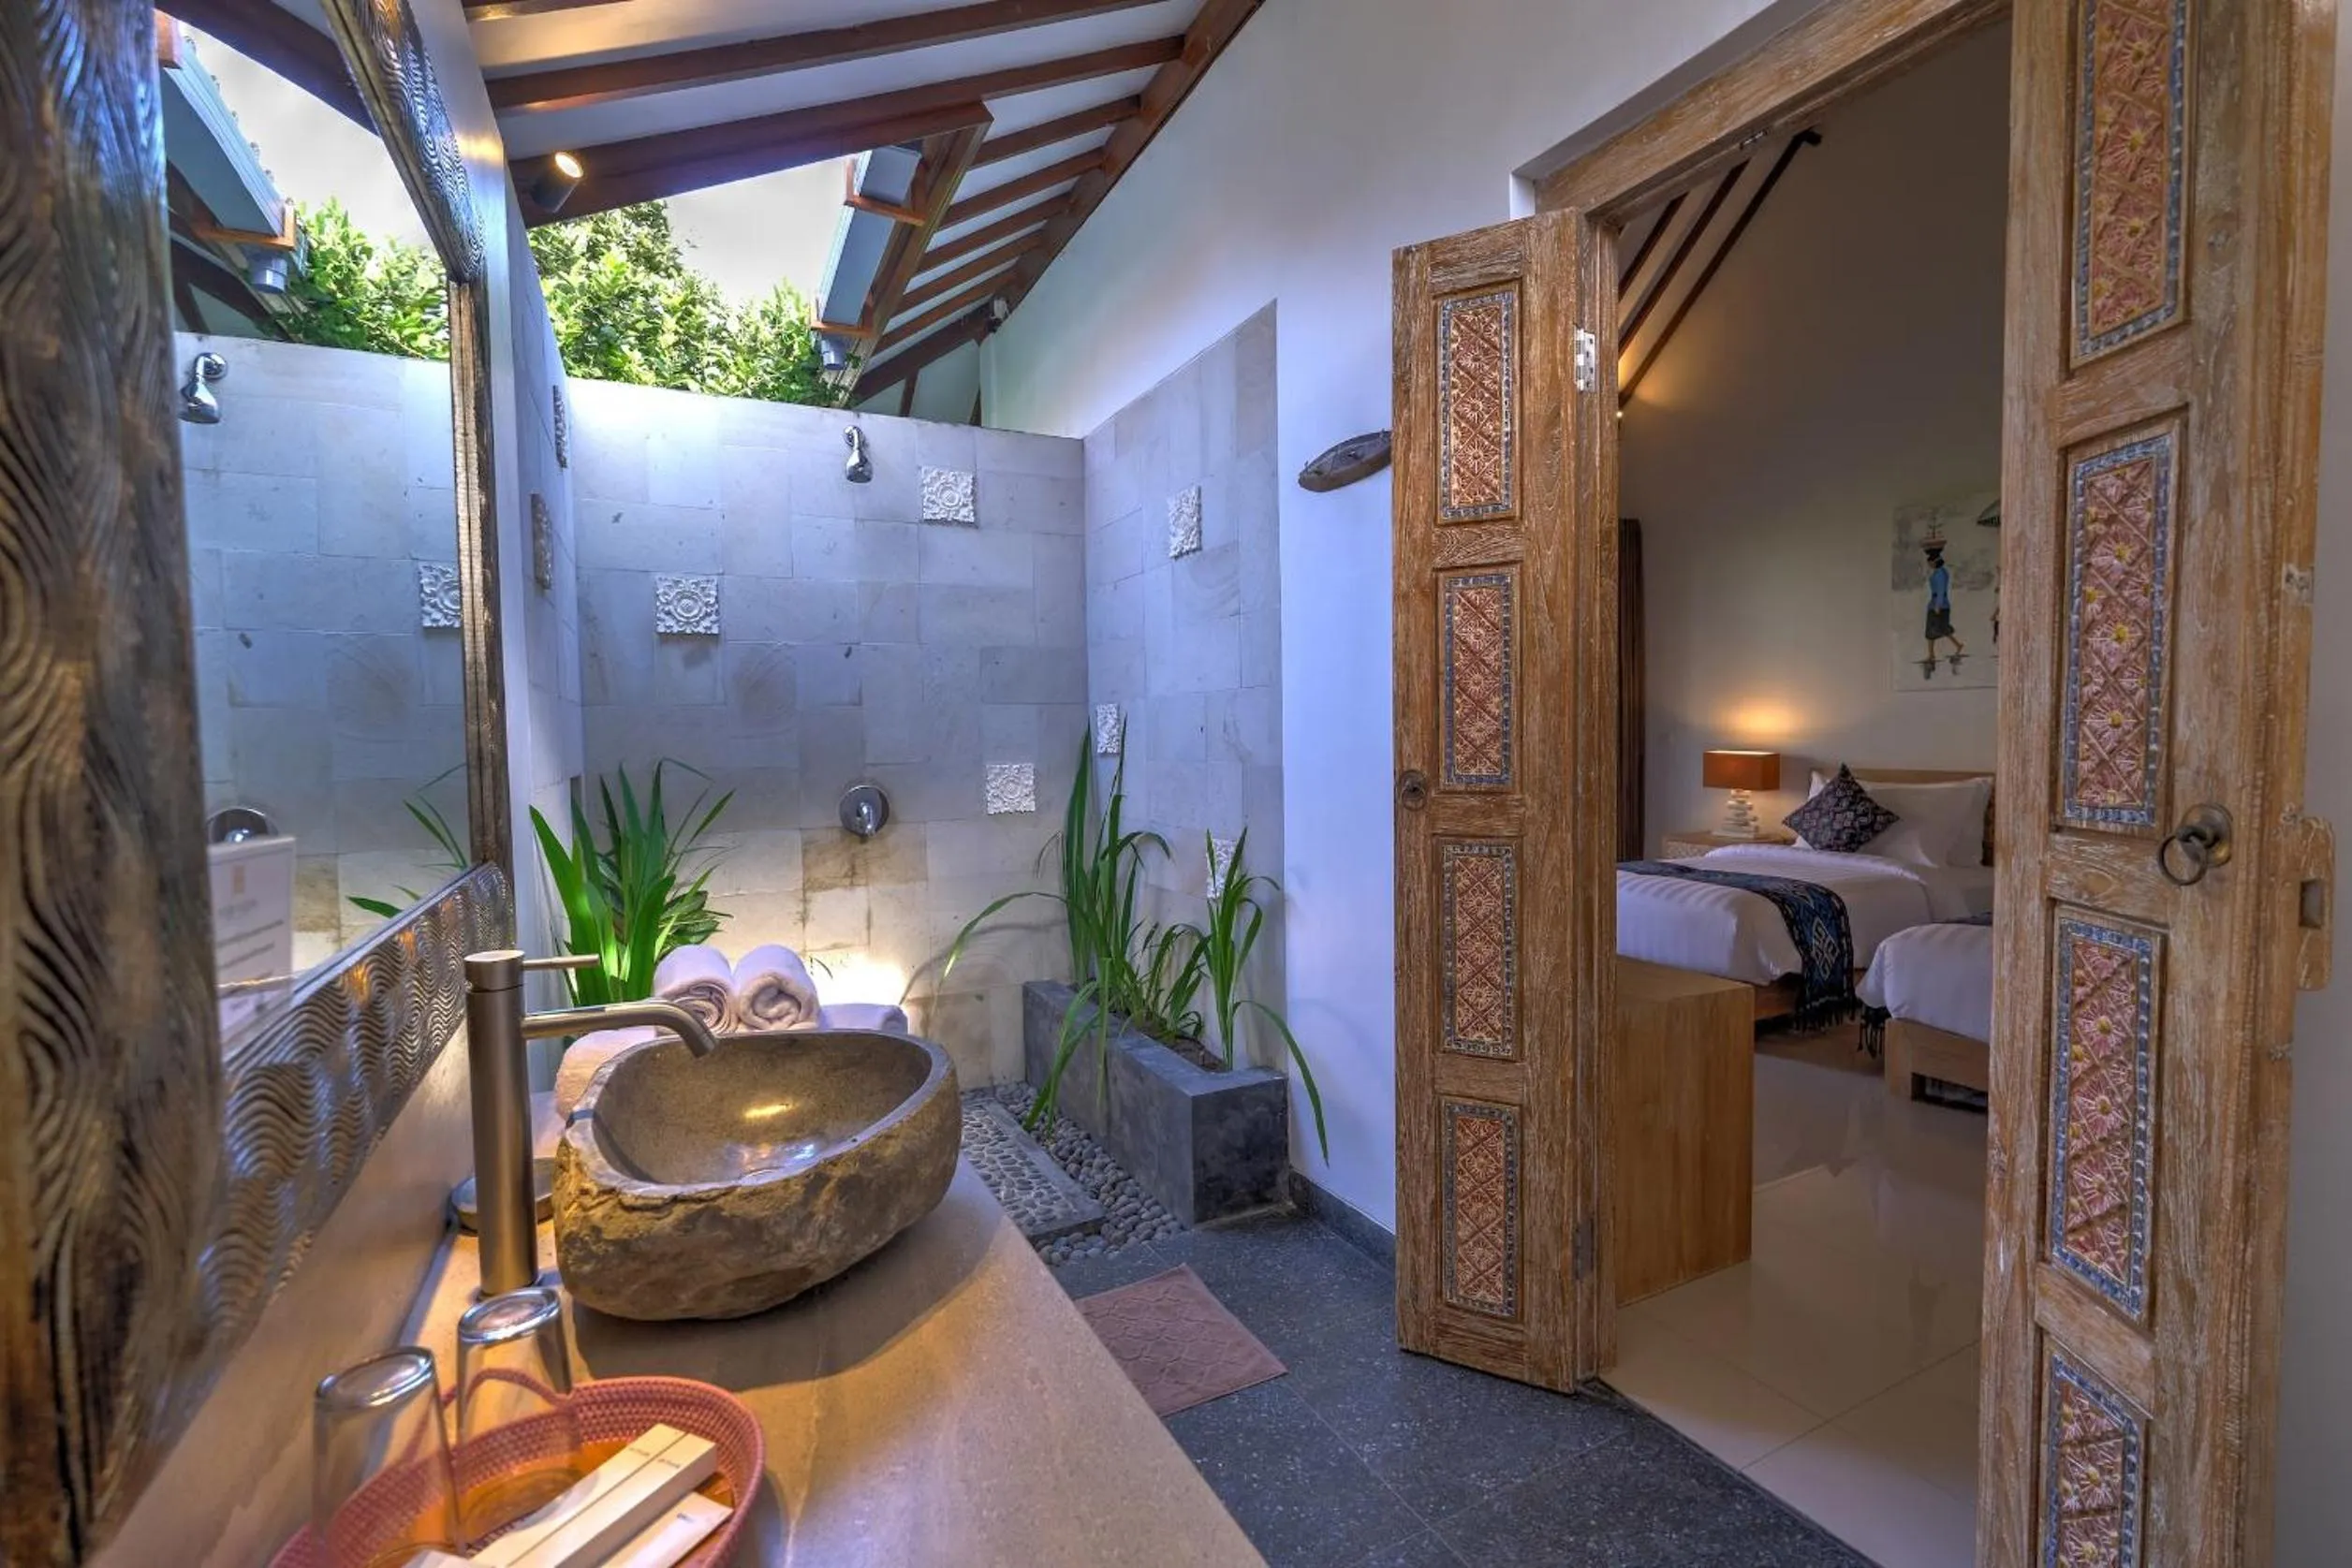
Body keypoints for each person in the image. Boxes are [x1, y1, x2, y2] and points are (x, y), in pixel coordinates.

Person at [1923, 538, 1965, 666]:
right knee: (1938, 629)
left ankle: (1933, 654)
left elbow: (1941, 590)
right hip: (1936, 603)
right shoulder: (1939, 572)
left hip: (1939, 604)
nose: (1929, 565)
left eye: (1930, 562)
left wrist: (1938, 605)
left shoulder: (1940, 574)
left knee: (1938, 629)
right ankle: (1934, 653)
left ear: (1934, 562)